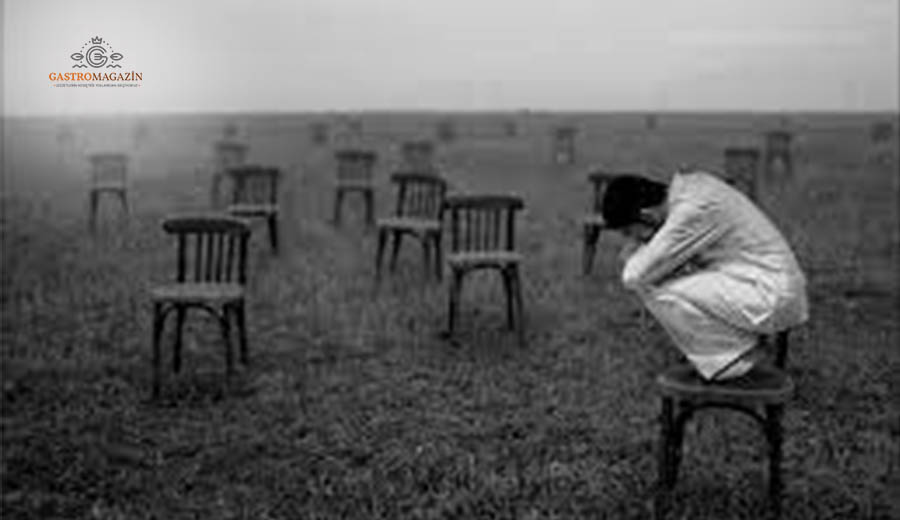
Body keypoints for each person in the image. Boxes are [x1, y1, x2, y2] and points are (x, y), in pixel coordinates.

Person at [601, 170, 809, 380]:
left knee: (651, 285)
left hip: (771, 295)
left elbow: (633, 276)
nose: (631, 239)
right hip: (761, 282)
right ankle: (730, 347)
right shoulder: (692, 188)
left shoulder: (692, 212)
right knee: (665, 273)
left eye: (629, 232)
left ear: (647, 215)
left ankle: (732, 359)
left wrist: (635, 252)